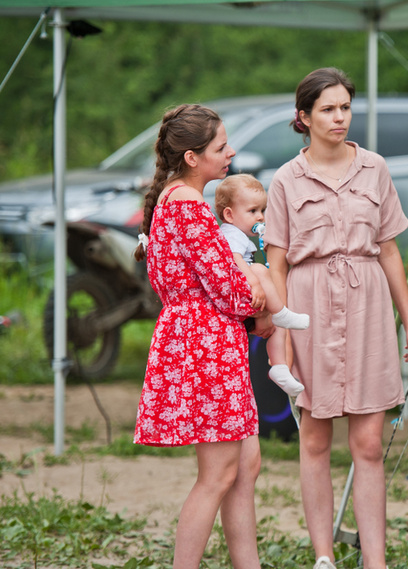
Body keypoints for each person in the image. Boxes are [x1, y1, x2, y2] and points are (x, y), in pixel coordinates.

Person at [263, 67, 408, 569]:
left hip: (369, 302)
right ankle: (323, 556)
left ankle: (374, 560)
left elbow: (390, 251)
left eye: (345, 107)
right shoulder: (285, 180)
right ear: (304, 117)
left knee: (370, 442)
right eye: (328, 109)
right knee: (314, 436)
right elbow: (276, 267)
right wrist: (282, 339)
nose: (339, 118)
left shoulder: (375, 168)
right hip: (308, 307)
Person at [132, 104, 269, 569]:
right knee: (217, 474)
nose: (231, 153)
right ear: (192, 158)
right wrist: (258, 289)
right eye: (220, 147)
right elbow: (230, 293)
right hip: (206, 345)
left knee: (244, 465)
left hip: (208, 341)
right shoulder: (188, 205)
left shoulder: (174, 198)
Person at [215, 173, 310, 397]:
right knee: (259, 270)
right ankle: (281, 312)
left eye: (262, 210)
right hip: (238, 290)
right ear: (229, 214)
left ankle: (279, 368)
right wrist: (255, 282)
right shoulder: (231, 234)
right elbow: (236, 260)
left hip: (242, 292)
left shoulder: (239, 233)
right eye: (252, 211)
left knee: (275, 327)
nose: (260, 217)